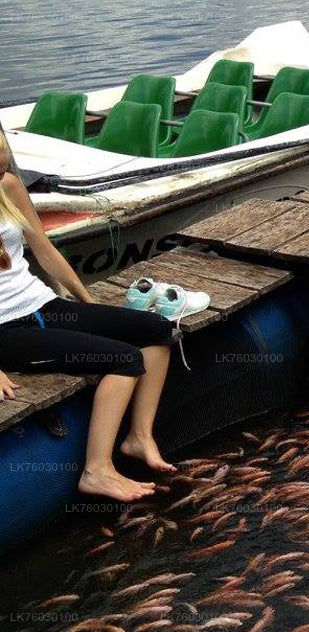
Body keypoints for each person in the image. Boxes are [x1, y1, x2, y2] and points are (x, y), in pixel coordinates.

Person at [0, 132, 178, 501]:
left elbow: (44, 250)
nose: (2, 174)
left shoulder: (8, 185)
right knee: (124, 359)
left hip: (43, 305)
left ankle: (138, 437)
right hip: (6, 331)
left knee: (157, 329)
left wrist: (87, 302)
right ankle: (97, 471)